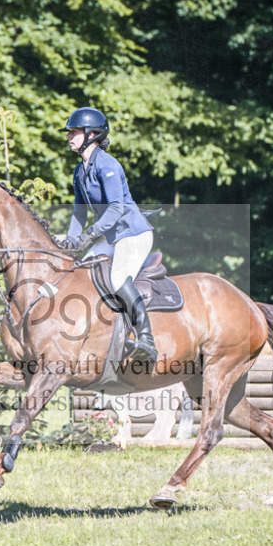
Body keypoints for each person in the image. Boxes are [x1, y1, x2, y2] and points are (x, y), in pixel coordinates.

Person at [59, 106, 158, 363]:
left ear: (91, 134)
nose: (68, 137)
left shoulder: (108, 164)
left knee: (116, 279)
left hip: (132, 234)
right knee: (80, 272)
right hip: (111, 236)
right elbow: (79, 212)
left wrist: (89, 235)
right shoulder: (80, 171)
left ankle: (146, 338)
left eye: (74, 132)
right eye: (69, 133)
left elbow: (116, 207)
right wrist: (71, 240)